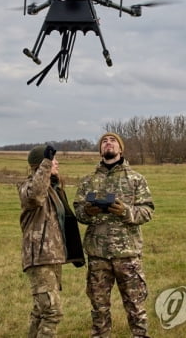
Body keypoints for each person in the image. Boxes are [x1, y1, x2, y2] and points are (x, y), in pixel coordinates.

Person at [74, 133, 155, 338]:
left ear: (121, 149)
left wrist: (125, 211)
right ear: (100, 150)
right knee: (99, 307)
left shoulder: (136, 179)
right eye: (104, 141)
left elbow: (147, 211)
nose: (108, 143)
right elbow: (78, 212)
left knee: (135, 304)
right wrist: (87, 212)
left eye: (113, 141)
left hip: (127, 254)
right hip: (98, 254)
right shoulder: (88, 181)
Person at [18, 144, 85, 338]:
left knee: (41, 310)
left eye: (54, 160)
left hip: (53, 257)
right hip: (39, 258)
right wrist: (46, 164)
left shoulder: (55, 190)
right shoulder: (27, 187)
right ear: (41, 165)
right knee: (52, 311)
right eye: (51, 160)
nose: (57, 163)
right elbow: (36, 196)